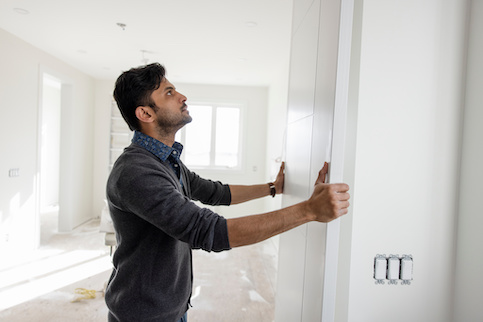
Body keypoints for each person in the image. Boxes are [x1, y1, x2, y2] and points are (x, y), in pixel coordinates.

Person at [105, 63, 350, 322]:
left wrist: (273, 188)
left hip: (171, 307)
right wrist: (309, 210)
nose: (182, 96)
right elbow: (207, 231)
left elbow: (215, 192)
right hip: (145, 314)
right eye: (168, 93)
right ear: (145, 113)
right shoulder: (136, 172)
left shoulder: (166, 161)